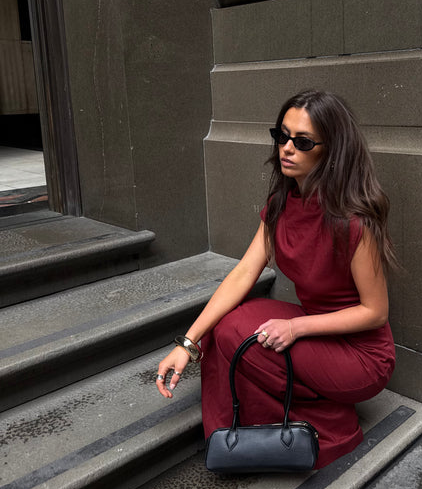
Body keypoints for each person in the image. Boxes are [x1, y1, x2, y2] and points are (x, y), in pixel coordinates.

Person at [156, 90, 397, 468]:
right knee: (223, 328)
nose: (287, 148)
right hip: (316, 333)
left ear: (330, 151)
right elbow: (242, 275)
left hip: (361, 355)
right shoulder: (282, 205)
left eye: (302, 142)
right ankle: (228, 438)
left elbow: (375, 313)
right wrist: (188, 344)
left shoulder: (354, 222)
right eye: (281, 136)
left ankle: (329, 424)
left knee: (239, 333)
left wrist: (296, 327)